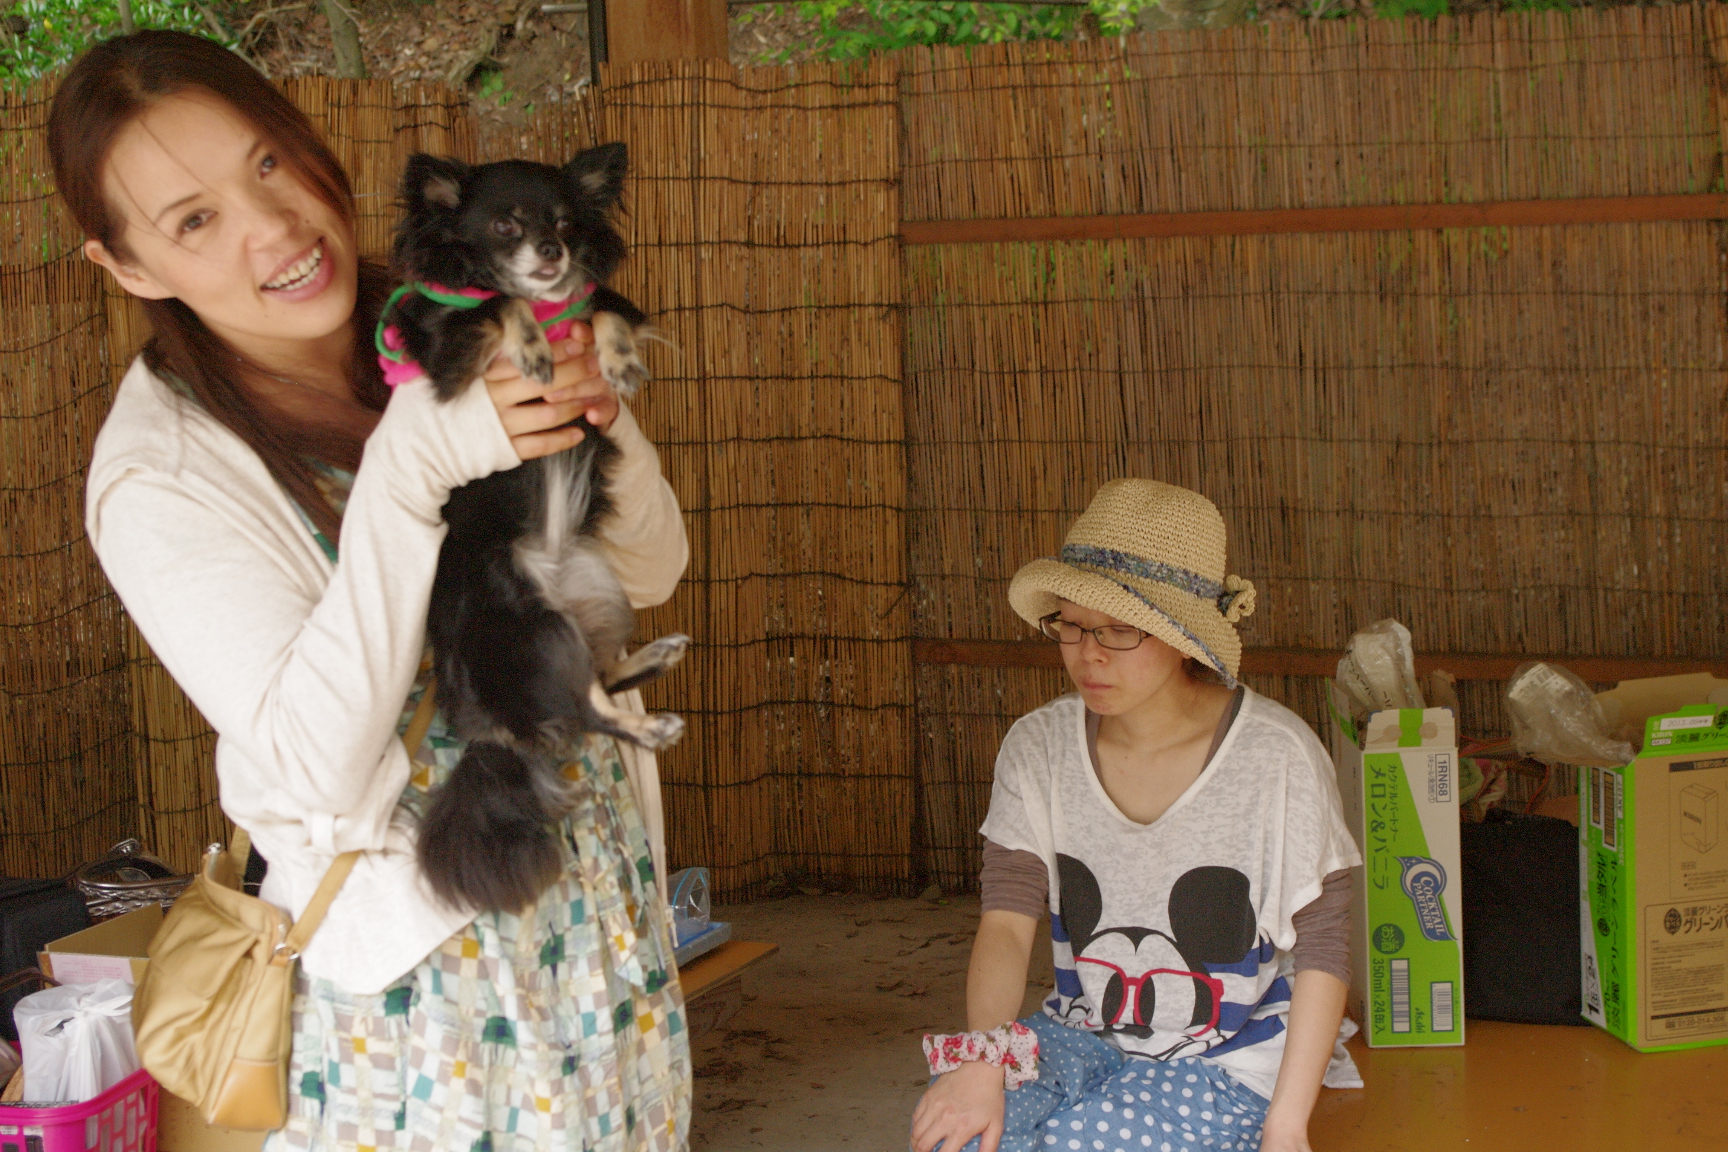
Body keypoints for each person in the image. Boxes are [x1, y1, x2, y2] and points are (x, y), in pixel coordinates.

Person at [49, 31, 690, 1152]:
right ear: (130, 267)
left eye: (268, 163)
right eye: (194, 220)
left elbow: (649, 568)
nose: (274, 226)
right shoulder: (161, 477)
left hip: (592, 902)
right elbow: (316, 766)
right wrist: (415, 460)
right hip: (424, 986)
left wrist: (593, 407)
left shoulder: (437, 320)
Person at [911, 480, 1362, 1152]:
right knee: (960, 1131)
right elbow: (1005, 920)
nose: (1088, 653)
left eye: (1120, 630)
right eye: (1071, 624)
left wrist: (1286, 1125)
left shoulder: (1276, 756)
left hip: (1228, 1060)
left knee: (1070, 1144)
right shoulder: (1038, 748)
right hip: (1081, 1031)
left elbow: (1323, 944)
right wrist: (983, 1057)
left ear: (1183, 638)